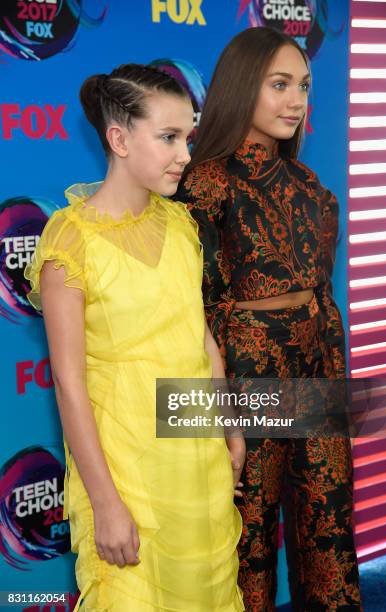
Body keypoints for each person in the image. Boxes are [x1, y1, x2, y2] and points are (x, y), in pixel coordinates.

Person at [25, 63, 245, 611]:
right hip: (125, 470)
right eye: (168, 137)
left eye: (187, 138)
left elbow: (204, 343)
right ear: (119, 138)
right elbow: (69, 384)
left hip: (194, 463)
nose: (185, 156)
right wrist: (105, 504)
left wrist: (227, 432)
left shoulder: (181, 225)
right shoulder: (69, 242)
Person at [176, 28, 362, 611]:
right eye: (278, 84)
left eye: (303, 86)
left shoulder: (312, 185)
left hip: (315, 356)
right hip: (245, 368)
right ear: (239, 89)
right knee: (247, 529)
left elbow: (322, 290)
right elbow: (194, 305)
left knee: (326, 516)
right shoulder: (205, 181)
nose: (296, 100)